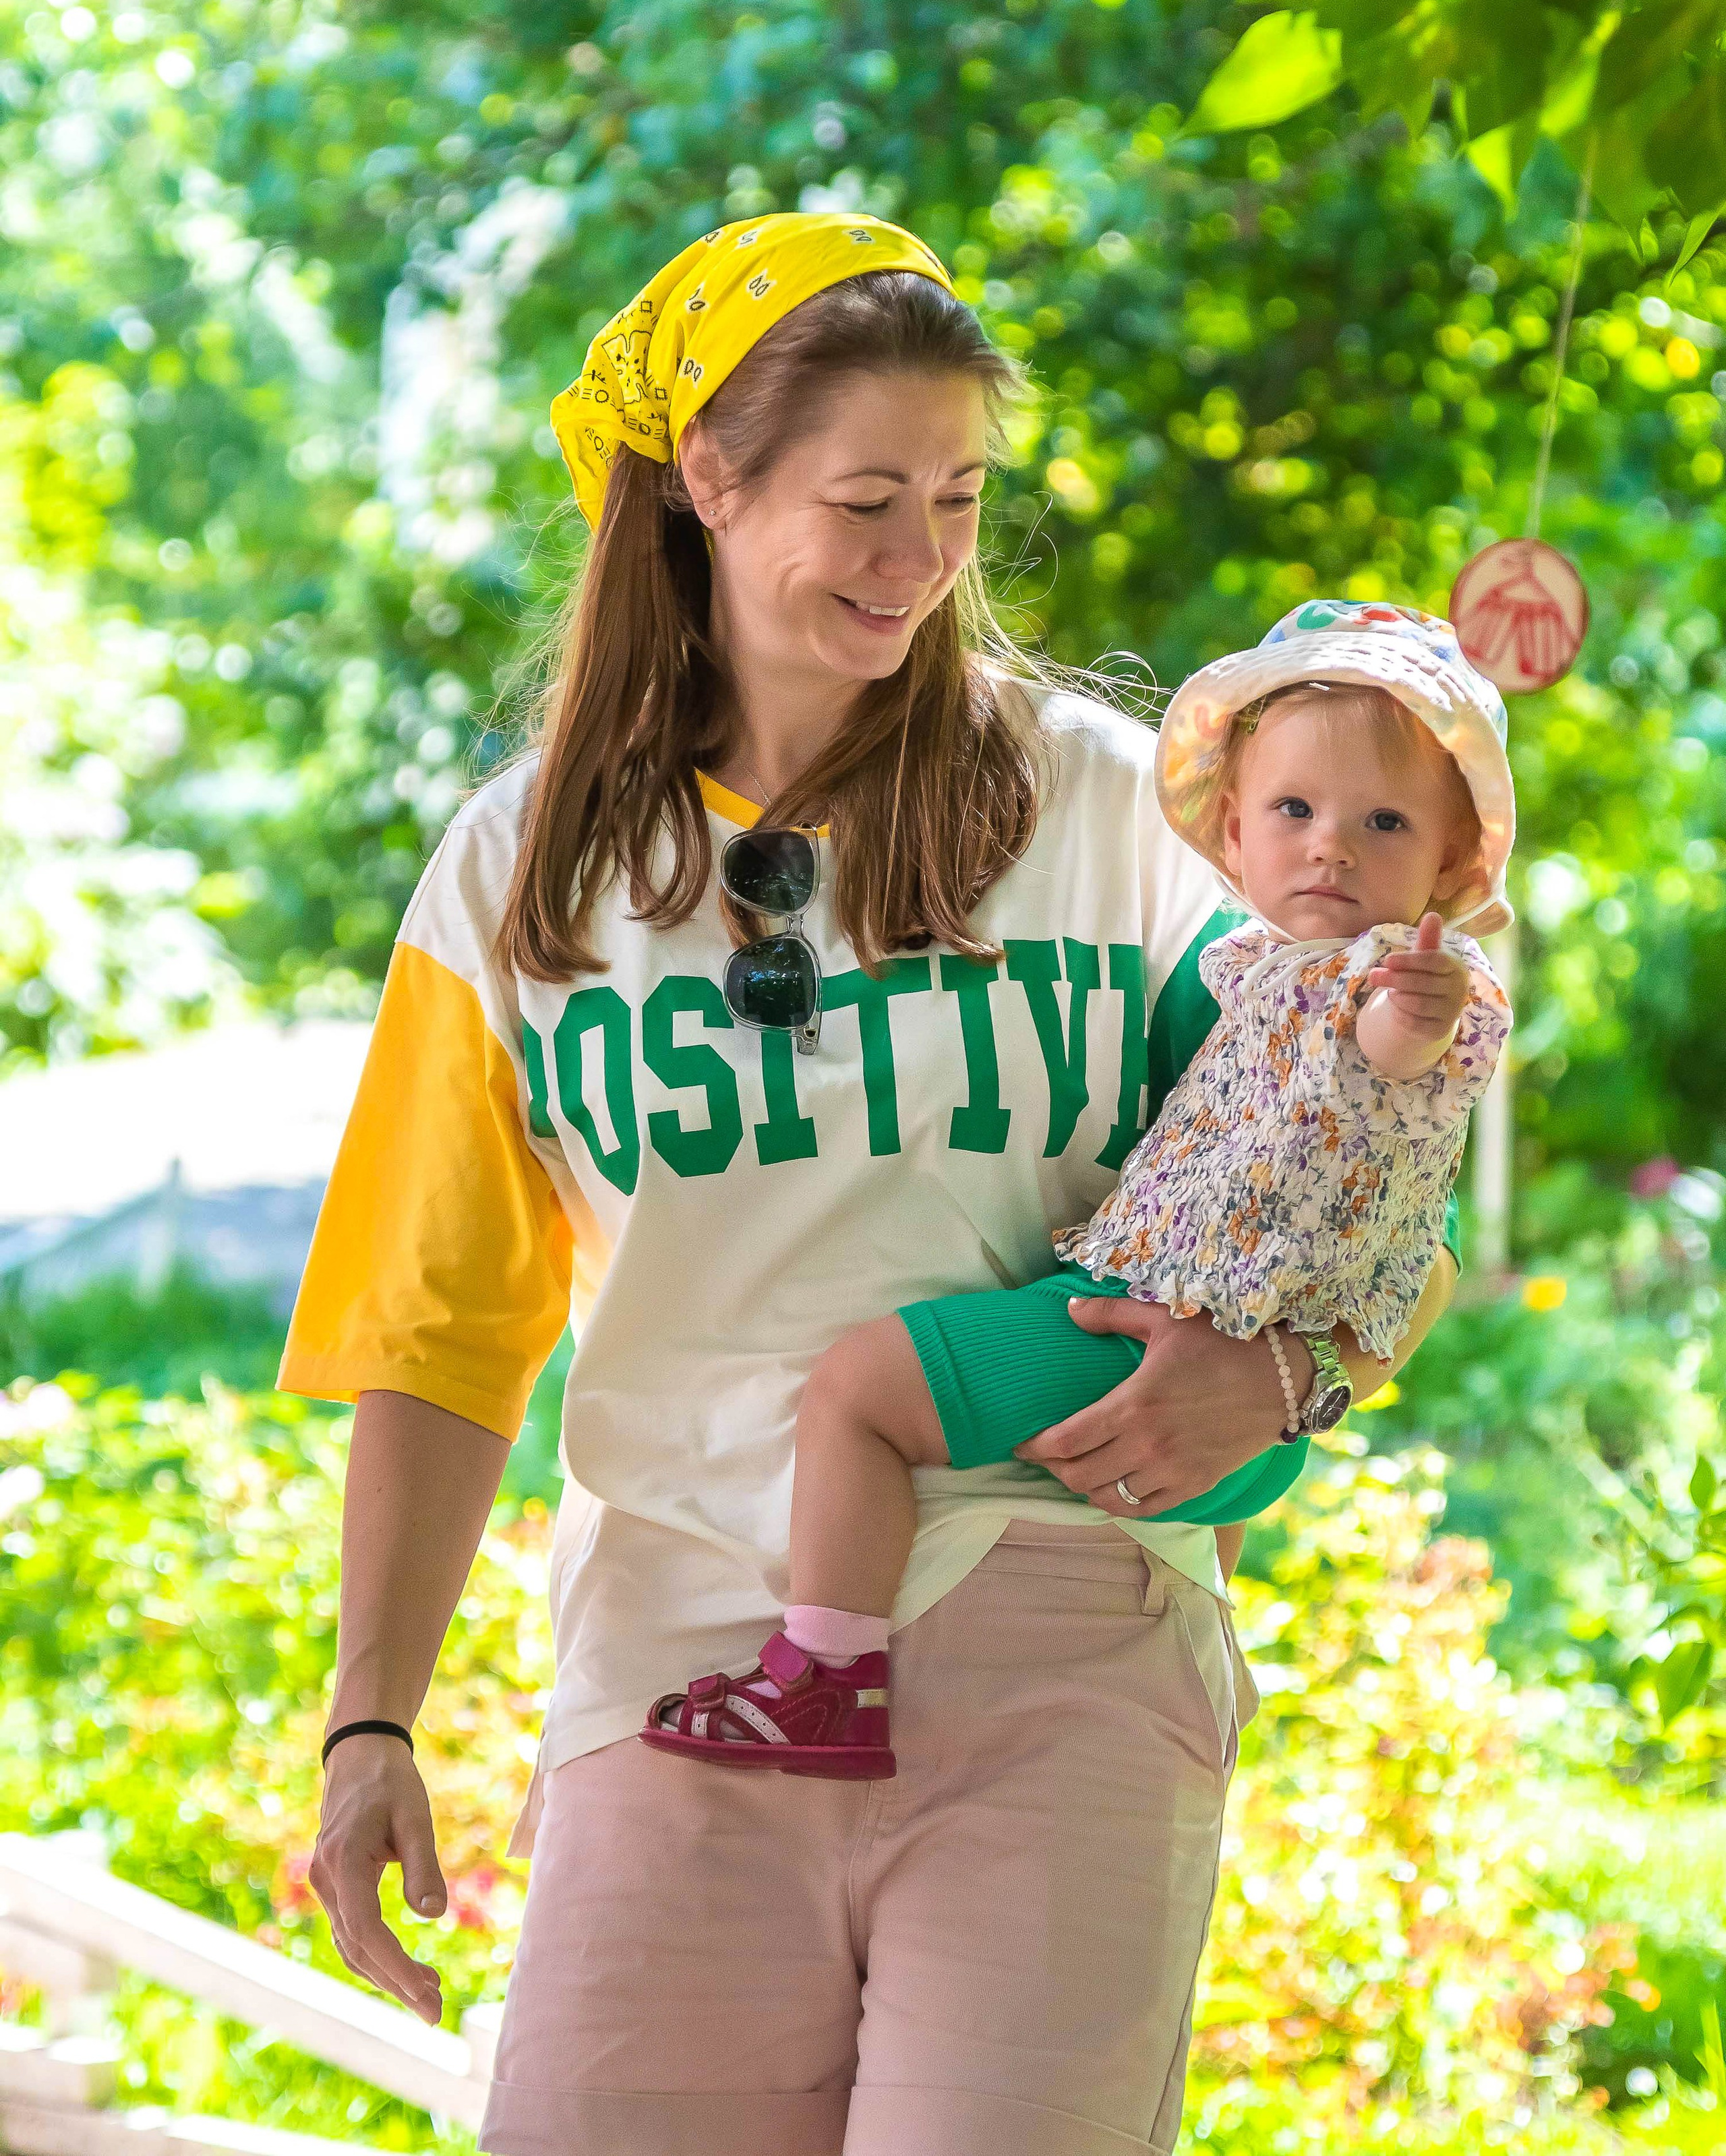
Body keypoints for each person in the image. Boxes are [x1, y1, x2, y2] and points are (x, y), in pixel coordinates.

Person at [280, 214, 1467, 2156]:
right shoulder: (517, 877)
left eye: (959, 498)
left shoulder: (1123, 811)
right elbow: (436, 1340)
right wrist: (368, 1723)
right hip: (680, 1669)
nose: (921, 556)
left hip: (1065, 1630)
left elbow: (1365, 1169)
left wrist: (1291, 1377)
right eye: (865, 501)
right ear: (709, 479)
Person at [639, 601, 1514, 1779]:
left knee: (857, 1390)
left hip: (1180, 1328)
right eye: (1294, 811)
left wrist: (1415, 1014)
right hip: (1210, 1341)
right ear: (1236, 829)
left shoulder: (1391, 977)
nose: (1332, 849)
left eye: (1385, 821)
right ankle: (1212, 1641)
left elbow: (1391, 1055)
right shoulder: (1252, 965)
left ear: (1450, 863)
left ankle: (826, 1673)